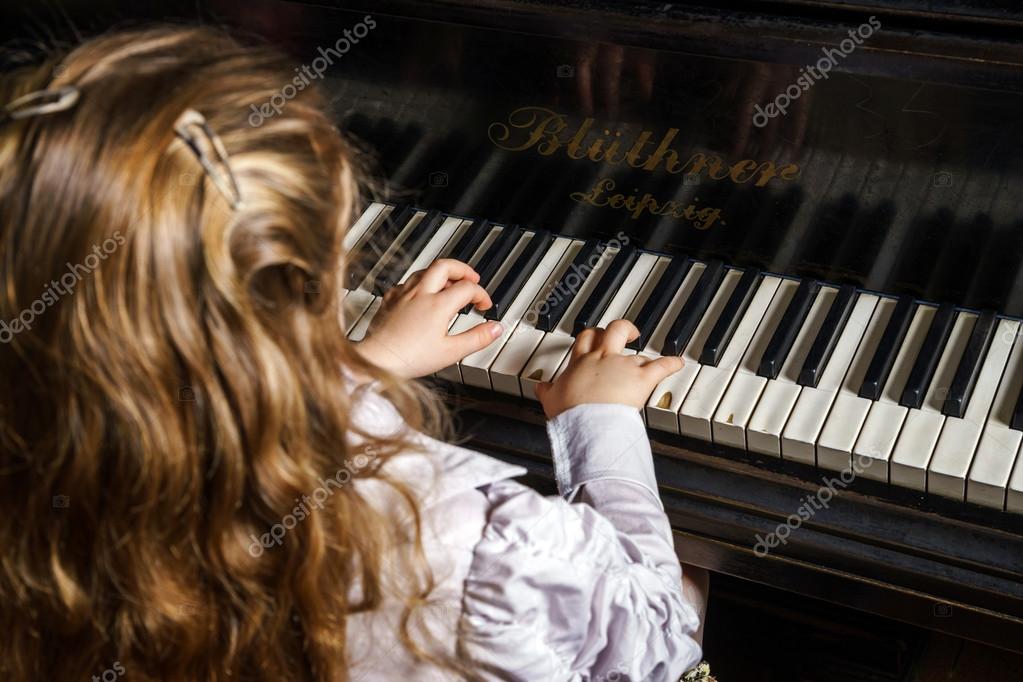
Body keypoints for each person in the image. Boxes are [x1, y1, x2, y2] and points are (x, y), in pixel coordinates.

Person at [0, 26, 708, 681]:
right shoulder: (464, 539)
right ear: (307, 277)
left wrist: (366, 364)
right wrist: (601, 420)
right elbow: (658, 643)